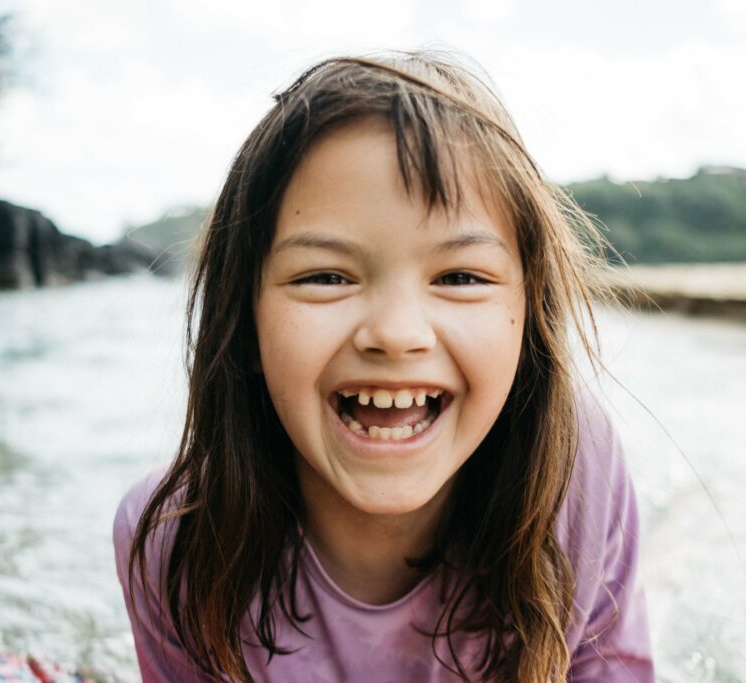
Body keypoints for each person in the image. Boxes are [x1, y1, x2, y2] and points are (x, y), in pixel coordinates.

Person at [113, 50, 654, 682]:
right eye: (325, 276)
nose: (395, 335)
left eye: (459, 276)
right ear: (243, 323)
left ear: (528, 318)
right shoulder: (174, 542)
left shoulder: (574, 468)